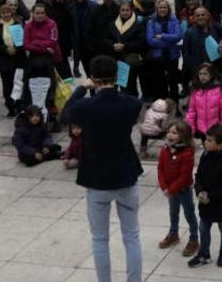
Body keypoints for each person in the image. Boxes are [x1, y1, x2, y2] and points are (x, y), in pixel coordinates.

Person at [61, 55, 144, 281]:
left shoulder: (86, 107)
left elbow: (65, 114)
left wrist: (80, 89)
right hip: (125, 172)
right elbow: (133, 107)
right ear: (116, 76)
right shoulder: (131, 103)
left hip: (96, 175)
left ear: (93, 78)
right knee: (132, 236)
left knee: (100, 239)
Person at [190, 124, 222, 268]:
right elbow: (198, 176)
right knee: (204, 227)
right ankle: (204, 254)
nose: (205, 142)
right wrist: (199, 191)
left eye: (209, 140)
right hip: (205, 201)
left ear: (219, 146)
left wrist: (210, 196)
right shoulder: (206, 156)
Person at [156, 119, 200, 257]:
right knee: (173, 212)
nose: (170, 135)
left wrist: (171, 189)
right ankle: (173, 233)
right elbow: (160, 169)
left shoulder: (187, 154)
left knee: (189, 214)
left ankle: (194, 238)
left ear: (183, 136)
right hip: (169, 190)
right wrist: (164, 187)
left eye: (174, 133)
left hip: (182, 190)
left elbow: (185, 177)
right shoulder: (165, 150)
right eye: (169, 132)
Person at [104, 2, 147, 98]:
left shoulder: (137, 25)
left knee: (129, 85)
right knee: (115, 83)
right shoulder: (113, 24)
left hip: (130, 60)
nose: (125, 12)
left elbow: (141, 42)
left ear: (131, 11)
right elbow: (106, 38)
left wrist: (125, 46)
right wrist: (113, 45)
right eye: (122, 10)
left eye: (127, 10)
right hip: (115, 59)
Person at [145, 0, 183, 101]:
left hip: (172, 55)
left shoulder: (174, 20)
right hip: (158, 56)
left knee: (173, 82)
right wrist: (170, 42)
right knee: (160, 82)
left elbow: (178, 36)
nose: (162, 9)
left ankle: (175, 104)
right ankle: (162, 103)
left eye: (165, 7)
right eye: (160, 7)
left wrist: (162, 36)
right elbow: (150, 40)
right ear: (157, 9)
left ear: (168, 9)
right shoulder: (151, 22)